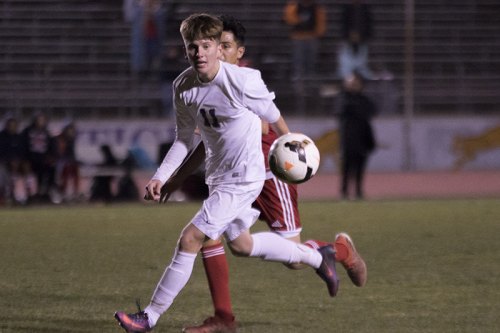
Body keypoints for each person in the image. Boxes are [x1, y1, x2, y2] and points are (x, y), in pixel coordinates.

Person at [114, 13, 344, 333]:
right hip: (219, 179)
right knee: (242, 245)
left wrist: (294, 150)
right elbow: (184, 139)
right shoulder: (183, 86)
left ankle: (149, 317)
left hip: (245, 180)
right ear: (185, 50)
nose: (200, 53)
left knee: (192, 238)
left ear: (219, 50)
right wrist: (161, 176)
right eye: (193, 46)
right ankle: (320, 258)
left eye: (207, 46)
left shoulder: (243, 81)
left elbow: (274, 117)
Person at [338, 73, 377, 200]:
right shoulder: (344, 99)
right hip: (349, 139)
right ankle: (344, 193)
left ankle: (359, 191)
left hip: (362, 139)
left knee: (360, 167)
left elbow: (372, 111)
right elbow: (339, 112)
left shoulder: (364, 99)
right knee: (347, 168)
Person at [283, 0, 327, 81]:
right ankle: (298, 82)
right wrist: (299, 20)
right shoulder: (295, 5)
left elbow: (321, 21)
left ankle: (310, 79)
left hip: (312, 37)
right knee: (298, 61)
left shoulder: (316, 7)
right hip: (298, 37)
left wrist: (319, 33)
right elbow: (289, 18)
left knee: (311, 60)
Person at [20, 113, 56, 202]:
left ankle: (44, 193)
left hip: (43, 159)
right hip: (29, 159)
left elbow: (52, 146)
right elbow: (22, 146)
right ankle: (29, 195)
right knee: (29, 174)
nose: (41, 122)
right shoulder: (27, 131)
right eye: (39, 120)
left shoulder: (47, 132)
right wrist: (24, 159)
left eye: (42, 120)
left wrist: (51, 157)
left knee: (51, 170)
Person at [0, 116, 36, 204]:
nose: (12, 127)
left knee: (26, 165)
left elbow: (24, 152)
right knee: (9, 167)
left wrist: (20, 160)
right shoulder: (2, 137)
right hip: (4, 162)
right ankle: (10, 194)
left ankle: (30, 193)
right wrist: (9, 160)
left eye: (14, 125)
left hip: (19, 161)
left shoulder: (20, 137)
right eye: (10, 125)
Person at [337, 0, 375, 80]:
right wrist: (349, 35)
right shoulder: (346, 8)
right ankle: (346, 74)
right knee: (346, 59)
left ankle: (362, 74)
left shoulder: (366, 8)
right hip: (348, 38)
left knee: (362, 58)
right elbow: (343, 23)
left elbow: (369, 23)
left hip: (362, 38)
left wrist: (362, 35)